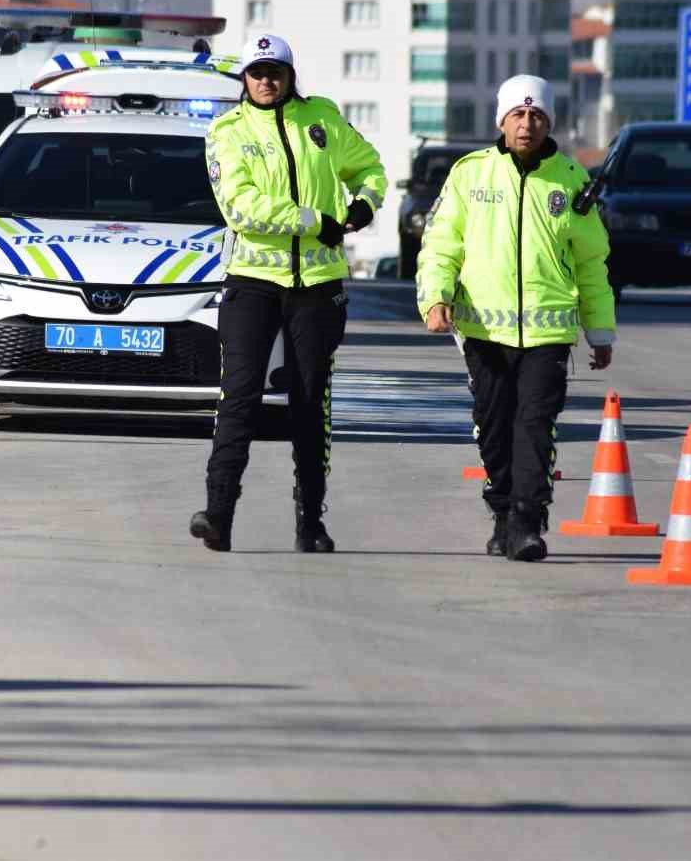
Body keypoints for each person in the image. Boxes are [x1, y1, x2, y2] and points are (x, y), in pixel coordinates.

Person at [190, 34, 387, 553]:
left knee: (309, 403)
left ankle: (311, 522)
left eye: (275, 72)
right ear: (244, 78)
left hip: (317, 287)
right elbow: (241, 206)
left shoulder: (322, 118)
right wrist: (314, 221)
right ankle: (218, 514)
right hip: (253, 282)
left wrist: (364, 205)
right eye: (257, 72)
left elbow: (371, 169)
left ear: (290, 75)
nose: (266, 81)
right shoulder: (227, 131)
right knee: (239, 397)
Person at [417, 75, 615, 562]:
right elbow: (441, 245)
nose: (527, 124)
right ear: (502, 121)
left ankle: (528, 521)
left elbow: (591, 261)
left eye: (537, 115)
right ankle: (502, 513)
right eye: (518, 115)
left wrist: (599, 329)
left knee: (534, 425)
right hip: (484, 331)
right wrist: (436, 298)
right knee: (493, 426)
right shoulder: (470, 174)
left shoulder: (571, 180)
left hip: (548, 333)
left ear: (549, 123)